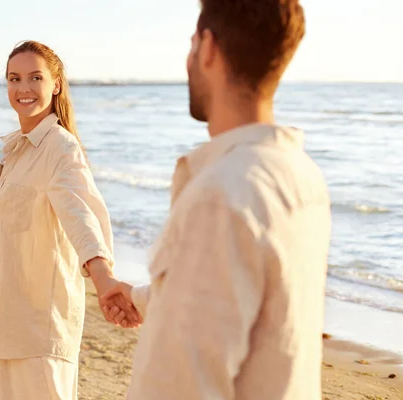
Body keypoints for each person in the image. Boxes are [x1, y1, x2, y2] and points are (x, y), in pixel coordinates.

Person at [100, 1, 332, 399]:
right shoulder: (301, 174)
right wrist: (142, 298)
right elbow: (255, 309)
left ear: (207, 47)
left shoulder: (221, 195)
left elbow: (184, 384)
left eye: (192, 44)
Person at [0, 40, 139, 400]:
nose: (22, 88)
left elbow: (82, 217)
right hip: (10, 325)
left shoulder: (60, 147)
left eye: (35, 77)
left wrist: (104, 280)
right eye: (14, 78)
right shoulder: (17, 150)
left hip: (42, 328)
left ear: (55, 84)